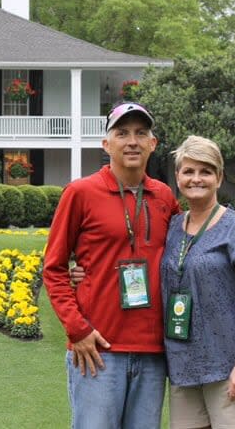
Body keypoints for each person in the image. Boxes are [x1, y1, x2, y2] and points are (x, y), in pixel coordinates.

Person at [43, 101, 180, 429]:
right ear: (107, 144)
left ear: (152, 144)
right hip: (97, 350)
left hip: (151, 350)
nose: (132, 141)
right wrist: (78, 330)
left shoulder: (164, 198)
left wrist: (233, 222)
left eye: (140, 133)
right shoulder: (80, 193)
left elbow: (188, 251)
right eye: (122, 133)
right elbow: (54, 267)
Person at [161, 135, 235, 428]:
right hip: (185, 369)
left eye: (206, 171)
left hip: (231, 367)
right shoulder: (173, 227)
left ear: (219, 177)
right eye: (188, 171)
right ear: (178, 176)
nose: (196, 178)